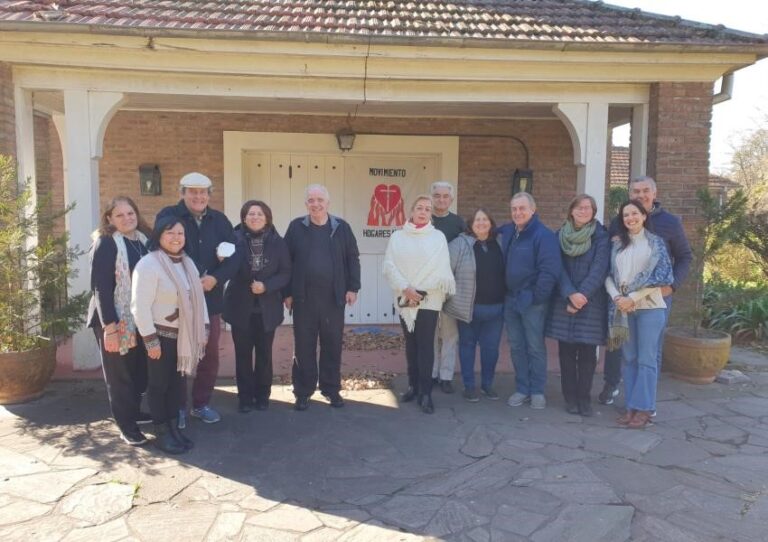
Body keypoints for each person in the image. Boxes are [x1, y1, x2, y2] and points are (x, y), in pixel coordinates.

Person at [598, 176, 693, 406]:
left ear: (655, 193)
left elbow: (684, 257)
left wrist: (673, 285)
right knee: (622, 348)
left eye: (645, 191)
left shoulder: (669, 224)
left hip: (655, 299)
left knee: (649, 354)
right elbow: (610, 264)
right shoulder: (618, 223)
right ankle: (615, 388)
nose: (640, 195)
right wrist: (618, 296)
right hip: (622, 300)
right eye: (635, 191)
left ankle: (645, 404)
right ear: (629, 196)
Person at [156, 172, 237, 426]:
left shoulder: (220, 220)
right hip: (176, 301)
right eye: (192, 192)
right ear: (182, 193)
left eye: (203, 192)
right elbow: (158, 249)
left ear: (209, 195)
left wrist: (215, 277)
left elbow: (234, 255)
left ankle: (201, 404)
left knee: (209, 353)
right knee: (177, 355)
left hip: (209, 300)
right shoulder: (168, 216)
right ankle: (177, 407)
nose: (198, 197)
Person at [131, 216, 209, 454]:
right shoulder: (148, 264)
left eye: (180, 233)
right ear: (159, 236)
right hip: (160, 337)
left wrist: (204, 327)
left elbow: (198, 299)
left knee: (177, 385)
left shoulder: (188, 264)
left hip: (184, 336)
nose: (176, 238)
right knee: (159, 385)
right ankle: (162, 432)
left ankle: (175, 428)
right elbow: (139, 306)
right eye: (170, 233)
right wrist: (150, 340)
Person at [284, 184, 361, 411]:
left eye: (320, 200)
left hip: (333, 299)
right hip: (303, 299)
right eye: (311, 200)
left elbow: (352, 258)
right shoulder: (296, 227)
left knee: (332, 345)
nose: (315, 204)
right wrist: (287, 292)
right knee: (304, 347)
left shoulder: (342, 228)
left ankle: (331, 389)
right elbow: (286, 261)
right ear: (306, 204)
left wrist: (353, 288)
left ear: (328, 203)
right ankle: (303, 392)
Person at [87, 196, 152, 446]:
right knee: (119, 375)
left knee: (137, 371)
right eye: (120, 215)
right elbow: (101, 288)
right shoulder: (106, 243)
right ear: (109, 219)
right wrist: (110, 328)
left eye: (130, 213)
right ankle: (126, 426)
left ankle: (134, 412)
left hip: (137, 317)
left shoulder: (144, 241)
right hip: (112, 319)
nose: (127, 218)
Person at [383, 195, 456, 414]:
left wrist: (418, 292)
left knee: (426, 345)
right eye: (419, 207)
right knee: (411, 344)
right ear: (411, 211)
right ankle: (413, 386)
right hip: (405, 297)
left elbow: (441, 269)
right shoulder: (397, 237)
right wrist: (406, 288)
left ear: (431, 214)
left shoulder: (438, 237)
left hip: (429, 299)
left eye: (427, 209)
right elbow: (389, 264)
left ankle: (426, 393)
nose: (423, 211)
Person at [605, 200, 673, 429]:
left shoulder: (656, 244)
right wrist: (617, 298)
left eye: (634, 213)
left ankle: (644, 408)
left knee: (647, 359)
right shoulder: (617, 244)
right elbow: (608, 276)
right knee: (630, 358)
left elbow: (663, 280)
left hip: (650, 308)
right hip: (623, 308)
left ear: (644, 216)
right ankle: (631, 407)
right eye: (626, 215)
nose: (630, 218)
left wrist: (632, 298)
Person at [223, 200, 291, 413]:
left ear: (267, 218)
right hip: (240, 307)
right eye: (250, 214)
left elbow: (286, 273)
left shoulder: (278, 242)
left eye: (259, 214)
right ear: (244, 218)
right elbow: (224, 267)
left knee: (264, 355)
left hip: (267, 308)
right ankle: (244, 397)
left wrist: (267, 286)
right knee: (243, 355)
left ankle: (263, 395)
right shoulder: (232, 239)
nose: (255, 217)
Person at [545, 194, 610, 417]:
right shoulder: (559, 236)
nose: (584, 211)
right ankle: (569, 398)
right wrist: (570, 293)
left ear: (593, 212)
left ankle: (584, 399)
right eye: (580, 207)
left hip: (591, 302)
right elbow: (557, 267)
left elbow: (600, 269)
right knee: (565, 353)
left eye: (588, 208)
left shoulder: (602, 237)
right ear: (571, 210)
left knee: (587, 355)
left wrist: (582, 295)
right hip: (565, 300)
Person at [499, 192, 561, 409]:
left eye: (522, 208)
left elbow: (549, 271)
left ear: (533, 210)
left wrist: (536, 297)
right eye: (514, 209)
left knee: (534, 346)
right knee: (516, 346)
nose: (517, 212)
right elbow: (484, 231)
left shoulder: (543, 236)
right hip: (511, 299)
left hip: (532, 302)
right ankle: (522, 388)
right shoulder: (509, 231)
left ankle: (537, 391)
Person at [444, 208, 505, 402]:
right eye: (477, 220)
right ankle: (469, 386)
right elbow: (447, 273)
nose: (481, 223)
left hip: (496, 308)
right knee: (467, 346)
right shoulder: (460, 244)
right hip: (468, 308)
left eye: (485, 219)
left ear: (491, 223)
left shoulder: (500, 242)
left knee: (491, 349)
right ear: (470, 224)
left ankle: (487, 384)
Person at [430, 181, 465, 394]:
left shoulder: (458, 223)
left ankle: (446, 375)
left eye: (445, 196)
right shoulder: (423, 219)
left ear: (451, 199)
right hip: (428, 289)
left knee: (450, 334)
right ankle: (432, 372)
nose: (441, 199)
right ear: (431, 198)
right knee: (431, 333)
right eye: (437, 196)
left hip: (451, 287)